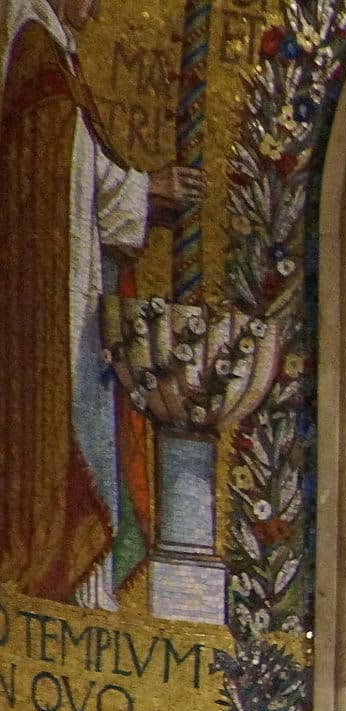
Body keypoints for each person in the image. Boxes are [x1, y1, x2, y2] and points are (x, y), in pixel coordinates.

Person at [0, 0, 201, 607]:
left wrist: (139, 193)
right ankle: (63, 572)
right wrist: (147, 188)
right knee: (67, 425)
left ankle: (83, 582)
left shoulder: (55, 54)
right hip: (50, 299)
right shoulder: (35, 49)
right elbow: (58, 162)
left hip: (72, 283)